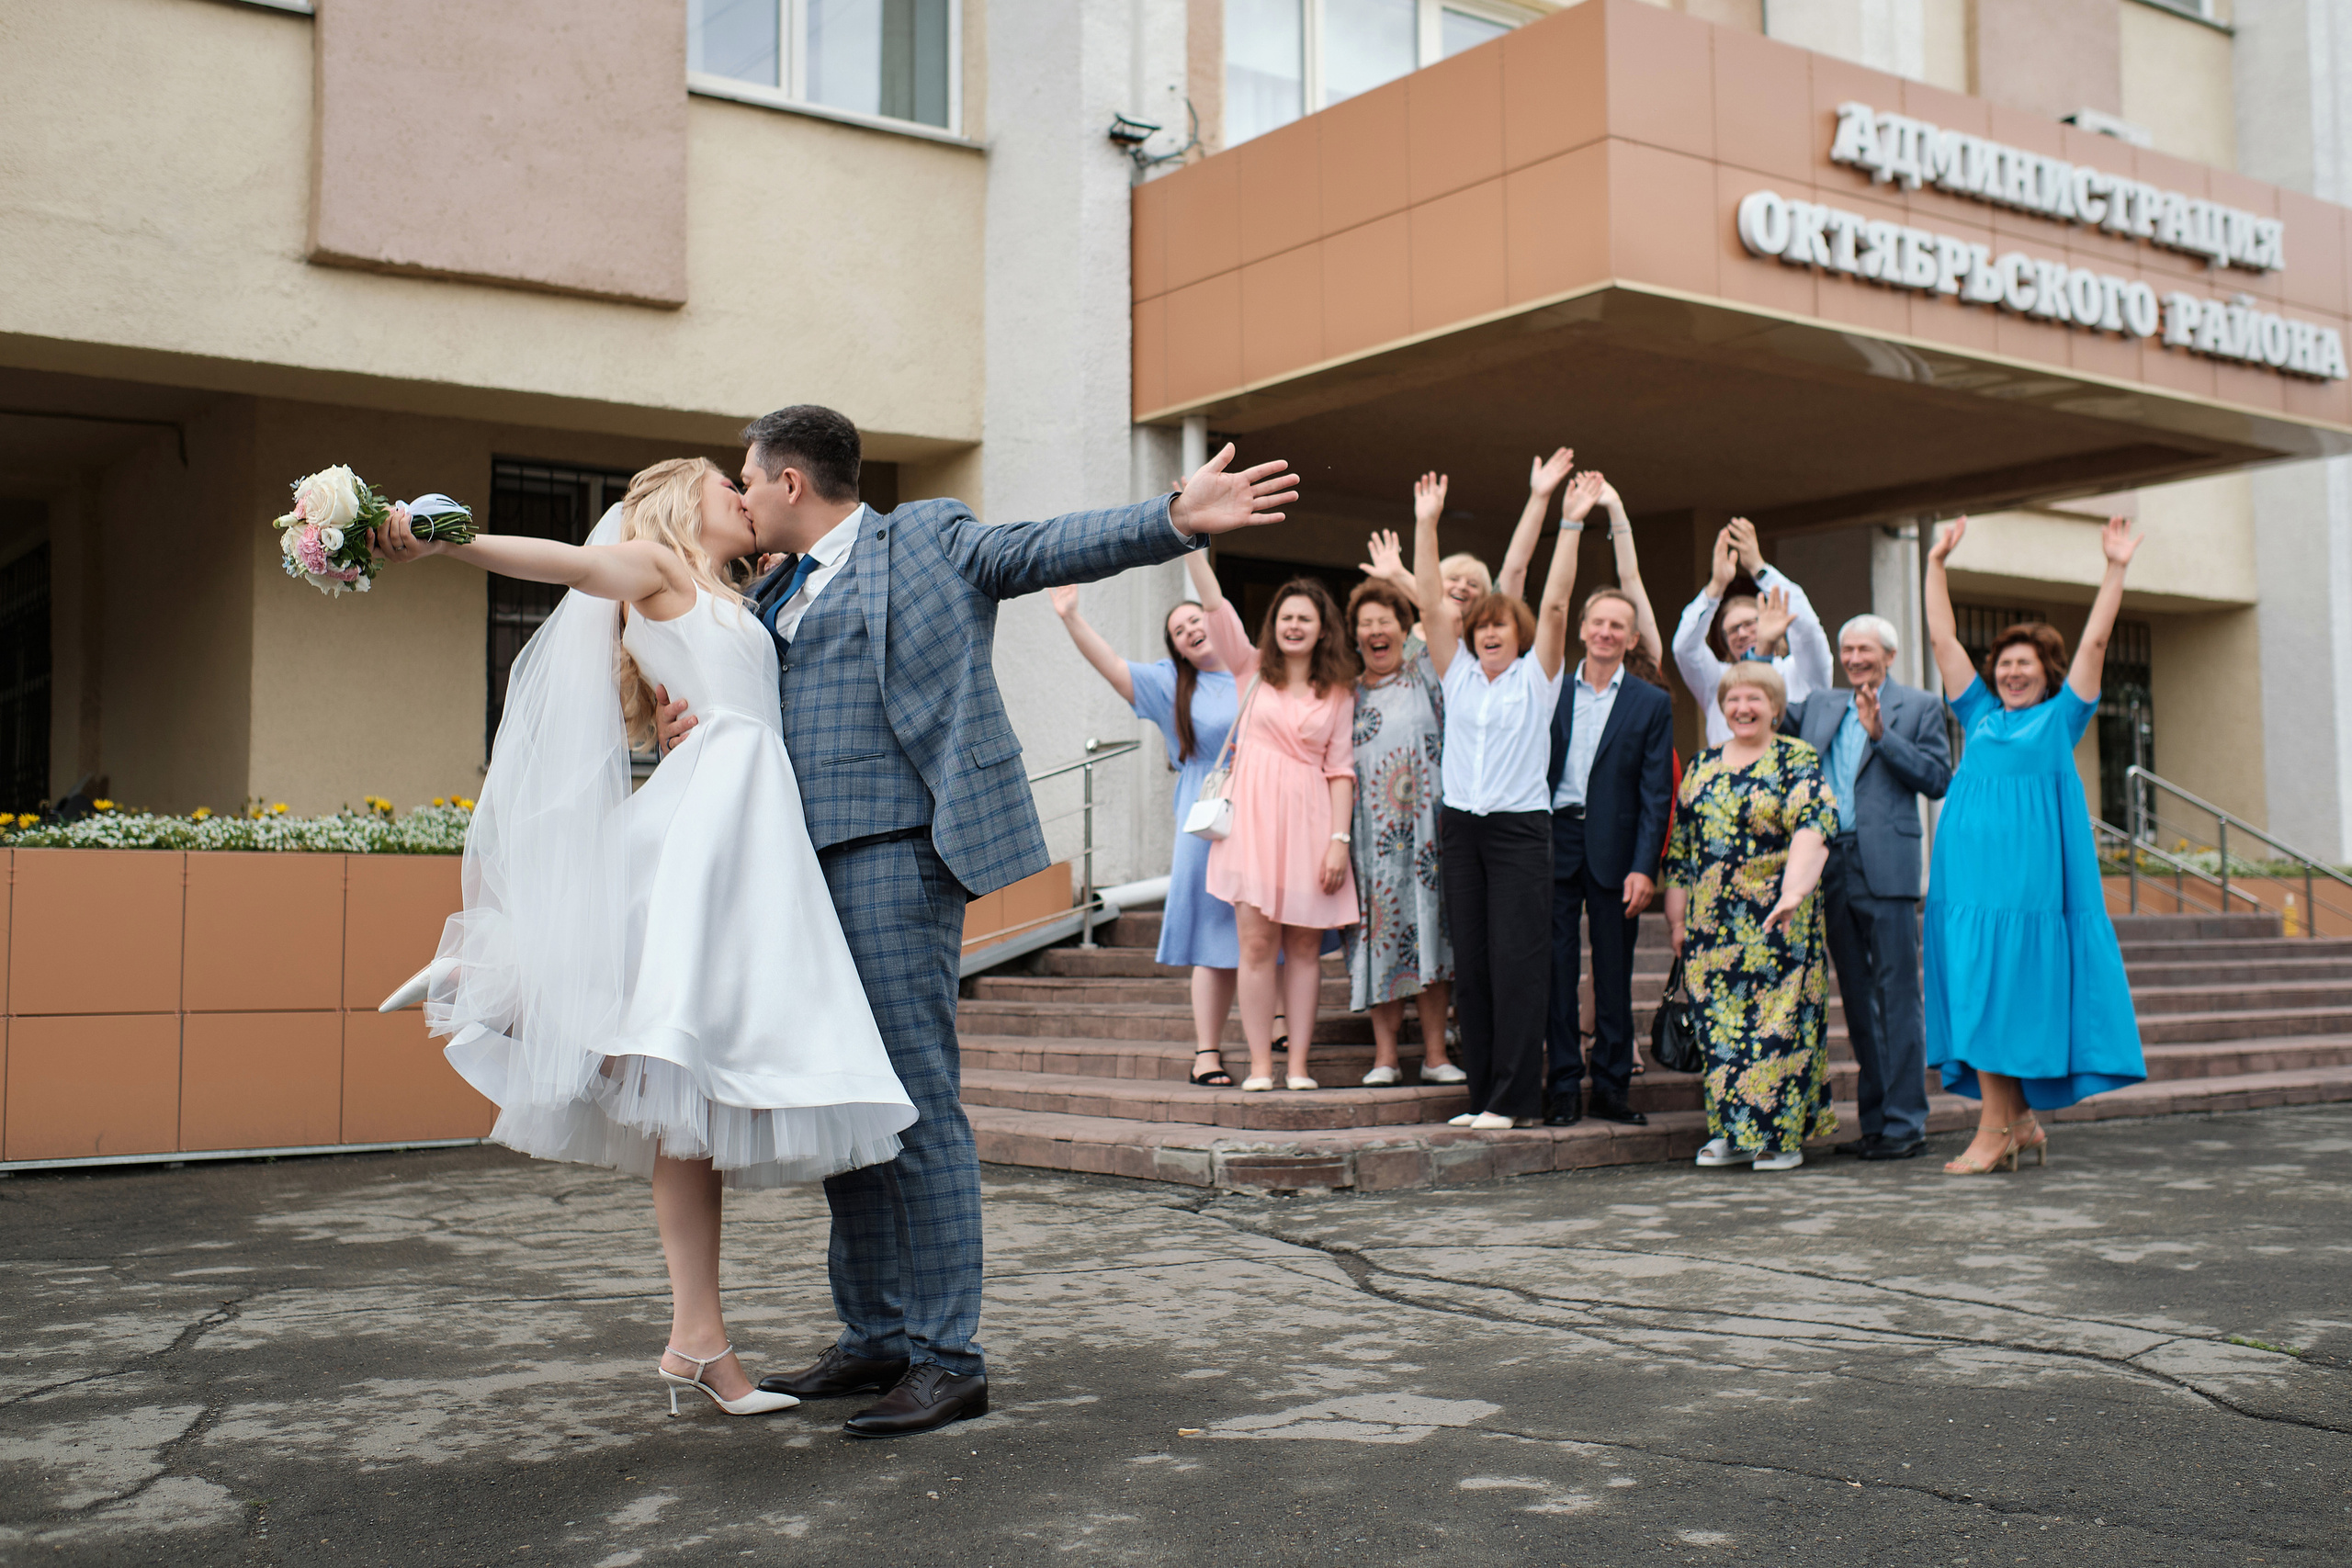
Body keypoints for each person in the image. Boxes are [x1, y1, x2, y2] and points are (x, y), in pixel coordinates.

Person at [653, 406, 1299, 1435]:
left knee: (913, 1102)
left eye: (747, 477)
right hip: (789, 873)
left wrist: (1176, 514)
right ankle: (875, 1336)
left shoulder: (926, 537)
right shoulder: (767, 590)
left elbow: (1043, 547)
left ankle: (948, 1356)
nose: (738, 494)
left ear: (788, 483)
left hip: (897, 854)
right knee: (844, 1105)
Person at [374, 457, 916, 1421]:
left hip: (748, 815)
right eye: (727, 486)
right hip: (717, 819)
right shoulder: (653, 567)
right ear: (677, 505)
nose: (743, 501)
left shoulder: (734, 591)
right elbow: (563, 566)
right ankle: (502, 973)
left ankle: (696, 1341)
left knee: (686, 1098)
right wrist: (447, 538)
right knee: (666, 1039)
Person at [1921, 515, 2147, 1175]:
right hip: (1965, 879)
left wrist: (2115, 567)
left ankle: (1993, 1131)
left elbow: (2098, 639)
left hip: (2023, 885)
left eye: (2025, 665)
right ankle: (2019, 1121)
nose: (2012, 672)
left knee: (1997, 987)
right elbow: (1941, 637)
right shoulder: (1979, 714)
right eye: (2004, 664)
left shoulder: (2062, 717)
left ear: (2048, 674)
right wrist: (1936, 562)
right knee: (1979, 987)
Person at [1416, 467, 1600, 1130]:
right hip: (1462, 830)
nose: (1491, 632)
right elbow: (1434, 600)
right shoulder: (1458, 674)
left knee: (1518, 963)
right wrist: (1427, 524)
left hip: (1522, 833)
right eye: (1482, 626)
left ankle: (1516, 1099)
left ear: (1519, 636)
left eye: (1502, 626)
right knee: (1475, 965)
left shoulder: (1538, 680)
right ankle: (1483, 1097)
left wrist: (1569, 518)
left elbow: (1552, 600)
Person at [1048, 585, 1242, 1086]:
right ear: (1175, 648)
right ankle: (1207, 1053)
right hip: (1210, 812)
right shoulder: (1172, 683)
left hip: (1267, 805)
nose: (1190, 631)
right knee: (1212, 932)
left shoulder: (1256, 669)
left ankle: (1282, 1026)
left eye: (1195, 620)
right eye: (1179, 631)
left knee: (1271, 921)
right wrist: (1072, 618)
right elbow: (1113, 666)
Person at [1782, 615, 1953, 1161]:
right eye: (1847, 649)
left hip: (1887, 865)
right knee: (1857, 1000)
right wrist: (1764, 647)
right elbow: (1760, 713)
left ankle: (1907, 1124)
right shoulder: (1820, 705)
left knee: (1898, 997)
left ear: (1889, 656)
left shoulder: (1921, 707)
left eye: (1865, 649)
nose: (1855, 658)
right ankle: (1876, 1123)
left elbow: (1937, 778)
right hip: (1829, 864)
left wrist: (1882, 736)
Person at [1187, 554, 1359, 1091]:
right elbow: (1215, 608)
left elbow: (1341, 769)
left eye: (1305, 618)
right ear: (1274, 623)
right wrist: (1192, 543)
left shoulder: (1339, 691)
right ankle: (1261, 1065)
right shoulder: (1250, 669)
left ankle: (1299, 1065)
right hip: (1253, 826)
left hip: (1311, 826)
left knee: (1306, 948)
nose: (1293, 625)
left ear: (1322, 628)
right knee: (1256, 946)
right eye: (1286, 616)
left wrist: (1338, 841)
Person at [1663, 661, 1839, 1170]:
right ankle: (1729, 1134)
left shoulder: (1795, 758)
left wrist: (1793, 891)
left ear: (1775, 708)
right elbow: (1680, 849)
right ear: (1722, 707)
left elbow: (1816, 822)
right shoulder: (1701, 766)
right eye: (1734, 700)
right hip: (1710, 926)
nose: (1743, 708)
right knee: (1718, 1031)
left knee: (1777, 1030)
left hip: (1778, 920)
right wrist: (1677, 921)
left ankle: (1780, 1139)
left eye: (1755, 699)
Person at [1545, 582, 1676, 1128]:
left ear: (1632, 637)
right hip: (1553, 839)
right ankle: (1561, 1085)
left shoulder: (1651, 702)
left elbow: (1656, 794)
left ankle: (1612, 1086)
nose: (1605, 633)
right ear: (1581, 629)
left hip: (1618, 852)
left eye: (1617, 626)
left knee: (1614, 971)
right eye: (1598, 623)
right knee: (1555, 969)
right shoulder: (1549, 688)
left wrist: (1646, 866)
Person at [1341, 576, 1460, 1087]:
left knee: (1432, 935)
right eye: (1365, 624)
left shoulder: (1427, 672)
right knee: (1380, 940)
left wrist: (1403, 577)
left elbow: (1445, 617)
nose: (1374, 631)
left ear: (1402, 628)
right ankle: (1385, 1057)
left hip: (1428, 836)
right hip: (1370, 842)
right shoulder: (1345, 694)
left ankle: (1436, 1055)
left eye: (1383, 621)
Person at [1673, 517, 1833, 746]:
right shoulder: (1719, 679)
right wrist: (1716, 587)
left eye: (1750, 623)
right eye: (1732, 630)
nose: (1742, 633)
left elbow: (1808, 629)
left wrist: (1759, 569)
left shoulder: (1797, 671)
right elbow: (1683, 648)